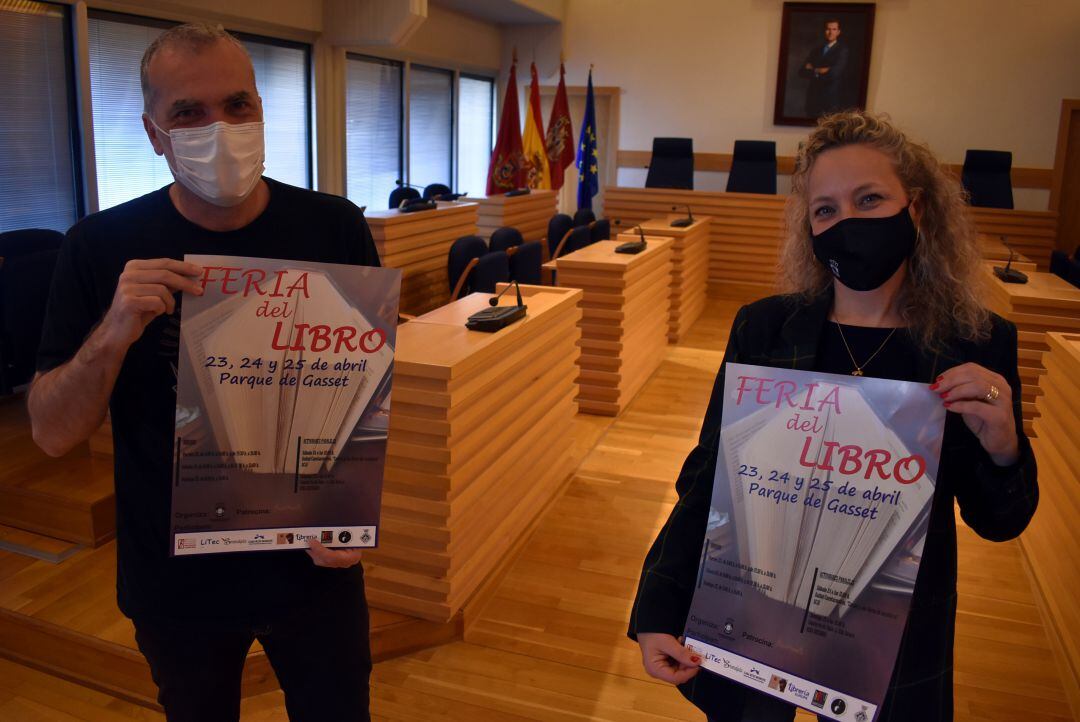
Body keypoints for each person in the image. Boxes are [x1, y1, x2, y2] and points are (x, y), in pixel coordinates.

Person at [628, 110, 1038, 722]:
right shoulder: (764, 329)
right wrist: (658, 606)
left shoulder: (976, 344)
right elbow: (709, 477)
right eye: (826, 210)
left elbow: (999, 521)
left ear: (916, 209)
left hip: (890, 638)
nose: (846, 224)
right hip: (755, 616)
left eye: (869, 199)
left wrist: (1004, 445)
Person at [28, 23, 379, 722]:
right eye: (189, 113)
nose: (219, 128)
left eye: (238, 105)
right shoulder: (99, 248)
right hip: (176, 579)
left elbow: (361, 394)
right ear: (155, 133)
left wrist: (352, 513)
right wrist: (114, 334)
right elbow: (50, 434)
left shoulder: (333, 226)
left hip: (312, 563)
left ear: (259, 111)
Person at [800, 18, 849, 118]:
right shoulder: (816, 50)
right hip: (813, 100)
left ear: (838, 32)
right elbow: (802, 72)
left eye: (834, 29)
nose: (830, 32)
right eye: (828, 29)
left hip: (830, 101)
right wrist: (819, 70)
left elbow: (834, 74)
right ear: (824, 31)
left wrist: (813, 69)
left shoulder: (842, 50)